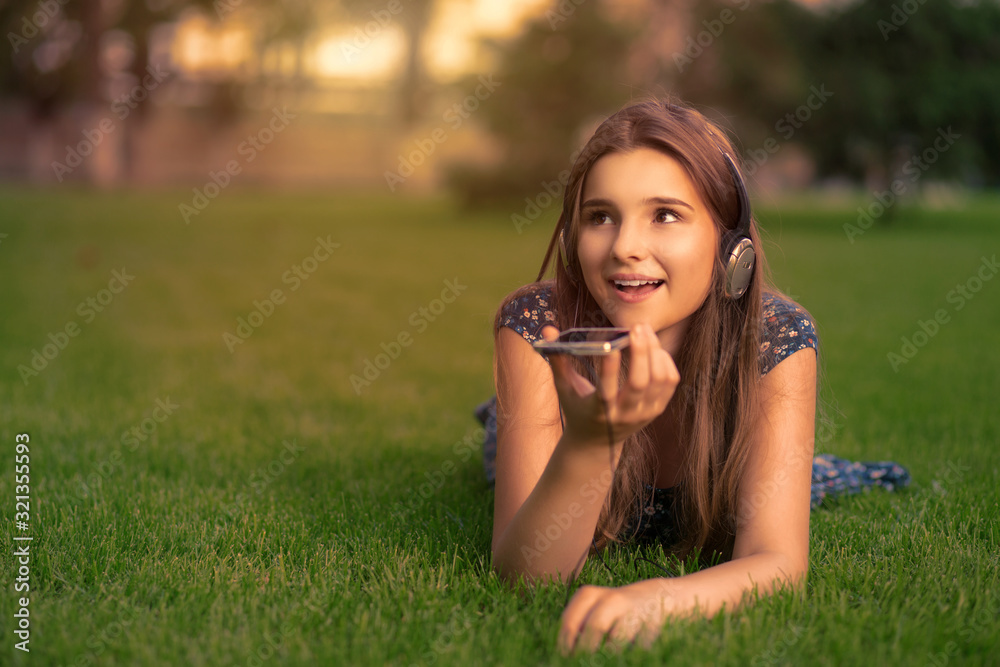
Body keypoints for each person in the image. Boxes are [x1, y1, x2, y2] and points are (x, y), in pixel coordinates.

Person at [474, 99, 909, 653]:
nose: (625, 247)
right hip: (556, 439)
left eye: (666, 215)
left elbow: (776, 562)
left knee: (789, 482)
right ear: (570, 240)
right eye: (600, 216)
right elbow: (527, 577)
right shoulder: (539, 329)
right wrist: (588, 443)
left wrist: (660, 599)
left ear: (732, 249)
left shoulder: (775, 339)